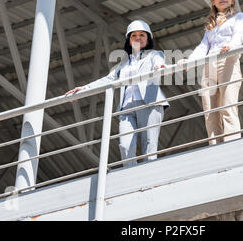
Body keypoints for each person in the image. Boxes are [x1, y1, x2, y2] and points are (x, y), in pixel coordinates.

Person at [66, 20, 169, 167]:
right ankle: (130, 177)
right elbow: (108, 79)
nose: (138, 38)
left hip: (149, 104)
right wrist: (84, 88)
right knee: (126, 146)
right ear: (129, 40)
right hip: (126, 108)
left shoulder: (154, 55)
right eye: (134, 35)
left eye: (142, 35)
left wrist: (160, 66)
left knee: (149, 146)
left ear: (148, 39)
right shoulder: (123, 64)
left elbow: (158, 61)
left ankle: (149, 179)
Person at [178, 0, 243, 145]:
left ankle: (232, 145)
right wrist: (190, 61)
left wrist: (231, 46)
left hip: (228, 61)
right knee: (210, 110)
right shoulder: (211, 25)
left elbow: (239, 35)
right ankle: (215, 145)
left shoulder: (238, 17)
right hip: (210, 65)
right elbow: (203, 46)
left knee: (227, 106)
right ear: (213, 0)